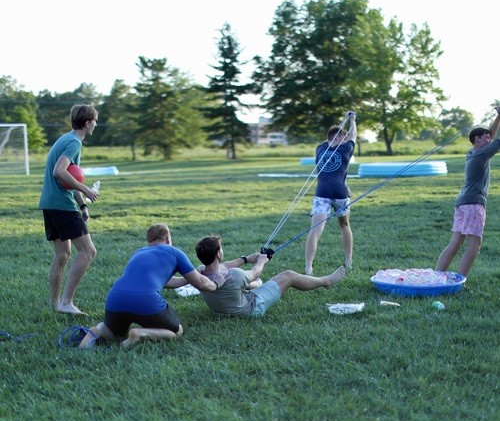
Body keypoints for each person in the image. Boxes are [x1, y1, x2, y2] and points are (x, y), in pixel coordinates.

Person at [79, 223, 219, 348]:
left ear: (149, 241)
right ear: (168, 239)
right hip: (145, 301)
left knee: (116, 335)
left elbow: (162, 281)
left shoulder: (138, 253)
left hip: (115, 299)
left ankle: (98, 330)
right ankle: (140, 334)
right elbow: (201, 283)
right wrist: (216, 284)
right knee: (176, 331)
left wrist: (187, 278)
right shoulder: (174, 252)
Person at [176, 235, 345, 318]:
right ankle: (327, 281)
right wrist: (262, 261)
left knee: (252, 284)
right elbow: (254, 272)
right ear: (218, 254)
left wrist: (246, 259)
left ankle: (256, 286)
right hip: (251, 309)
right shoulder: (233, 275)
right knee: (289, 275)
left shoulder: (200, 272)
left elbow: (224, 266)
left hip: (221, 312)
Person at [39, 104, 100, 315]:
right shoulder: (74, 143)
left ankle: (55, 303)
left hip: (50, 203)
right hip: (62, 205)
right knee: (88, 251)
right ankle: (66, 302)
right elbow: (59, 171)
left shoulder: (65, 139)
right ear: (88, 122)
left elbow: (68, 179)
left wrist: (82, 204)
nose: (96, 124)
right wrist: (86, 190)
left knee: (63, 255)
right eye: (95, 121)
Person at [436, 106, 500, 277]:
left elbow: (491, 135)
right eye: (486, 138)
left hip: (462, 204)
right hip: (474, 204)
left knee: (455, 243)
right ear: (477, 139)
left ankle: (437, 275)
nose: (489, 139)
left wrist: (498, 117)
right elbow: (497, 141)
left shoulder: (472, 153)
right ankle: (460, 279)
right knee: (474, 245)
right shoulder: (481, 154)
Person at [305, 110, 357, 275]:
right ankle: (348, 261)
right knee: (344, 225)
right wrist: (352, 120)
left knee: (315, 230)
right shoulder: (346, 149)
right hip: (339, 194)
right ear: (341, 138)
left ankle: (309, 267)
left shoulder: (320, 149)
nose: (345, 139)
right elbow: (353, 135)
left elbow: (331, 139)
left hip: (323, 194)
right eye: (343, 137)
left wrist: (343, 122)